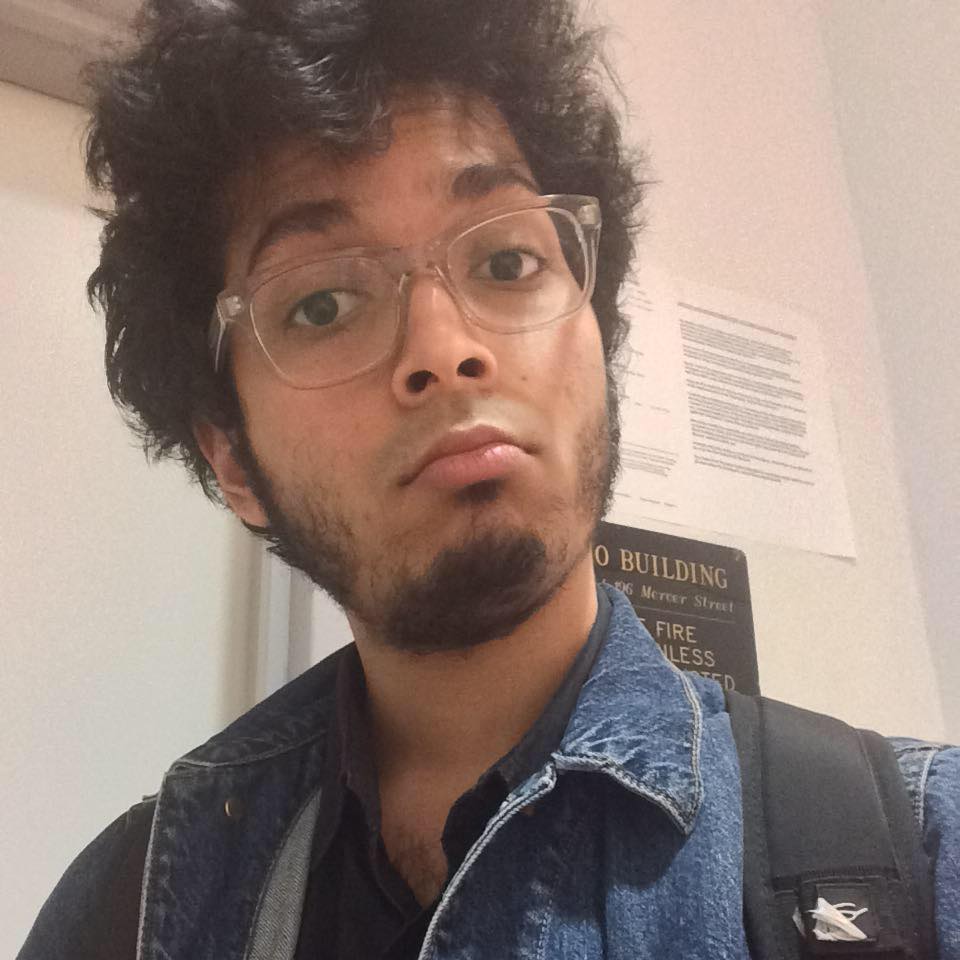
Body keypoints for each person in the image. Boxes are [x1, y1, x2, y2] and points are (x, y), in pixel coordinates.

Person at [19, 0, 959, 957]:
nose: (444, 348)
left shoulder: (922, 851)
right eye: (323, 303)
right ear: (232, 457)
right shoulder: (131, 911)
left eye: (507, 259)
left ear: (596, 339)